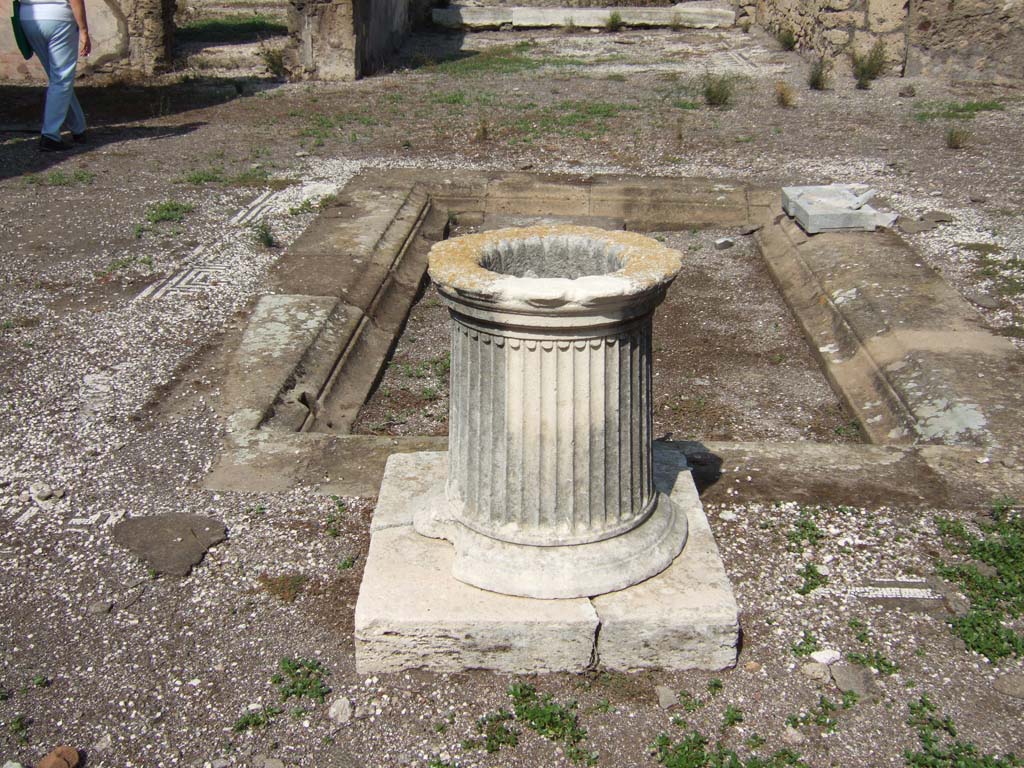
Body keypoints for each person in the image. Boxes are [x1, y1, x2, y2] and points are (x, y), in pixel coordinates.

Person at [19, 0, 90, 151]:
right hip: (59, 18)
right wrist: (84, 30)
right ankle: (50, 136)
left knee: (58, 80)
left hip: (28, 18)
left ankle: (79, 128)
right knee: (61, 80)